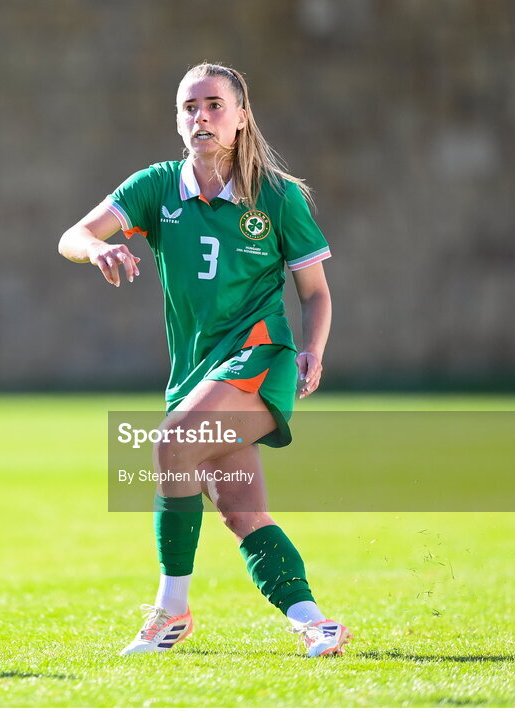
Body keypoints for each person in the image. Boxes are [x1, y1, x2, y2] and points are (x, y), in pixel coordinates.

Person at [58, 62, 349, 658]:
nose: (202, 117)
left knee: (171, 444)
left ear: (242, 117)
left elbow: (314, 292)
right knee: (243, 514)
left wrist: (313, 349)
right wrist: (97, 250)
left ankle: (171, 610)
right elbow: (74, 235)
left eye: (215, 105)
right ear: (178, 120)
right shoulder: (158, 186)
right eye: (190, 107)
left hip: (259, 357)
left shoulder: (276, 196)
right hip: (196, 372)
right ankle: (315, 622)